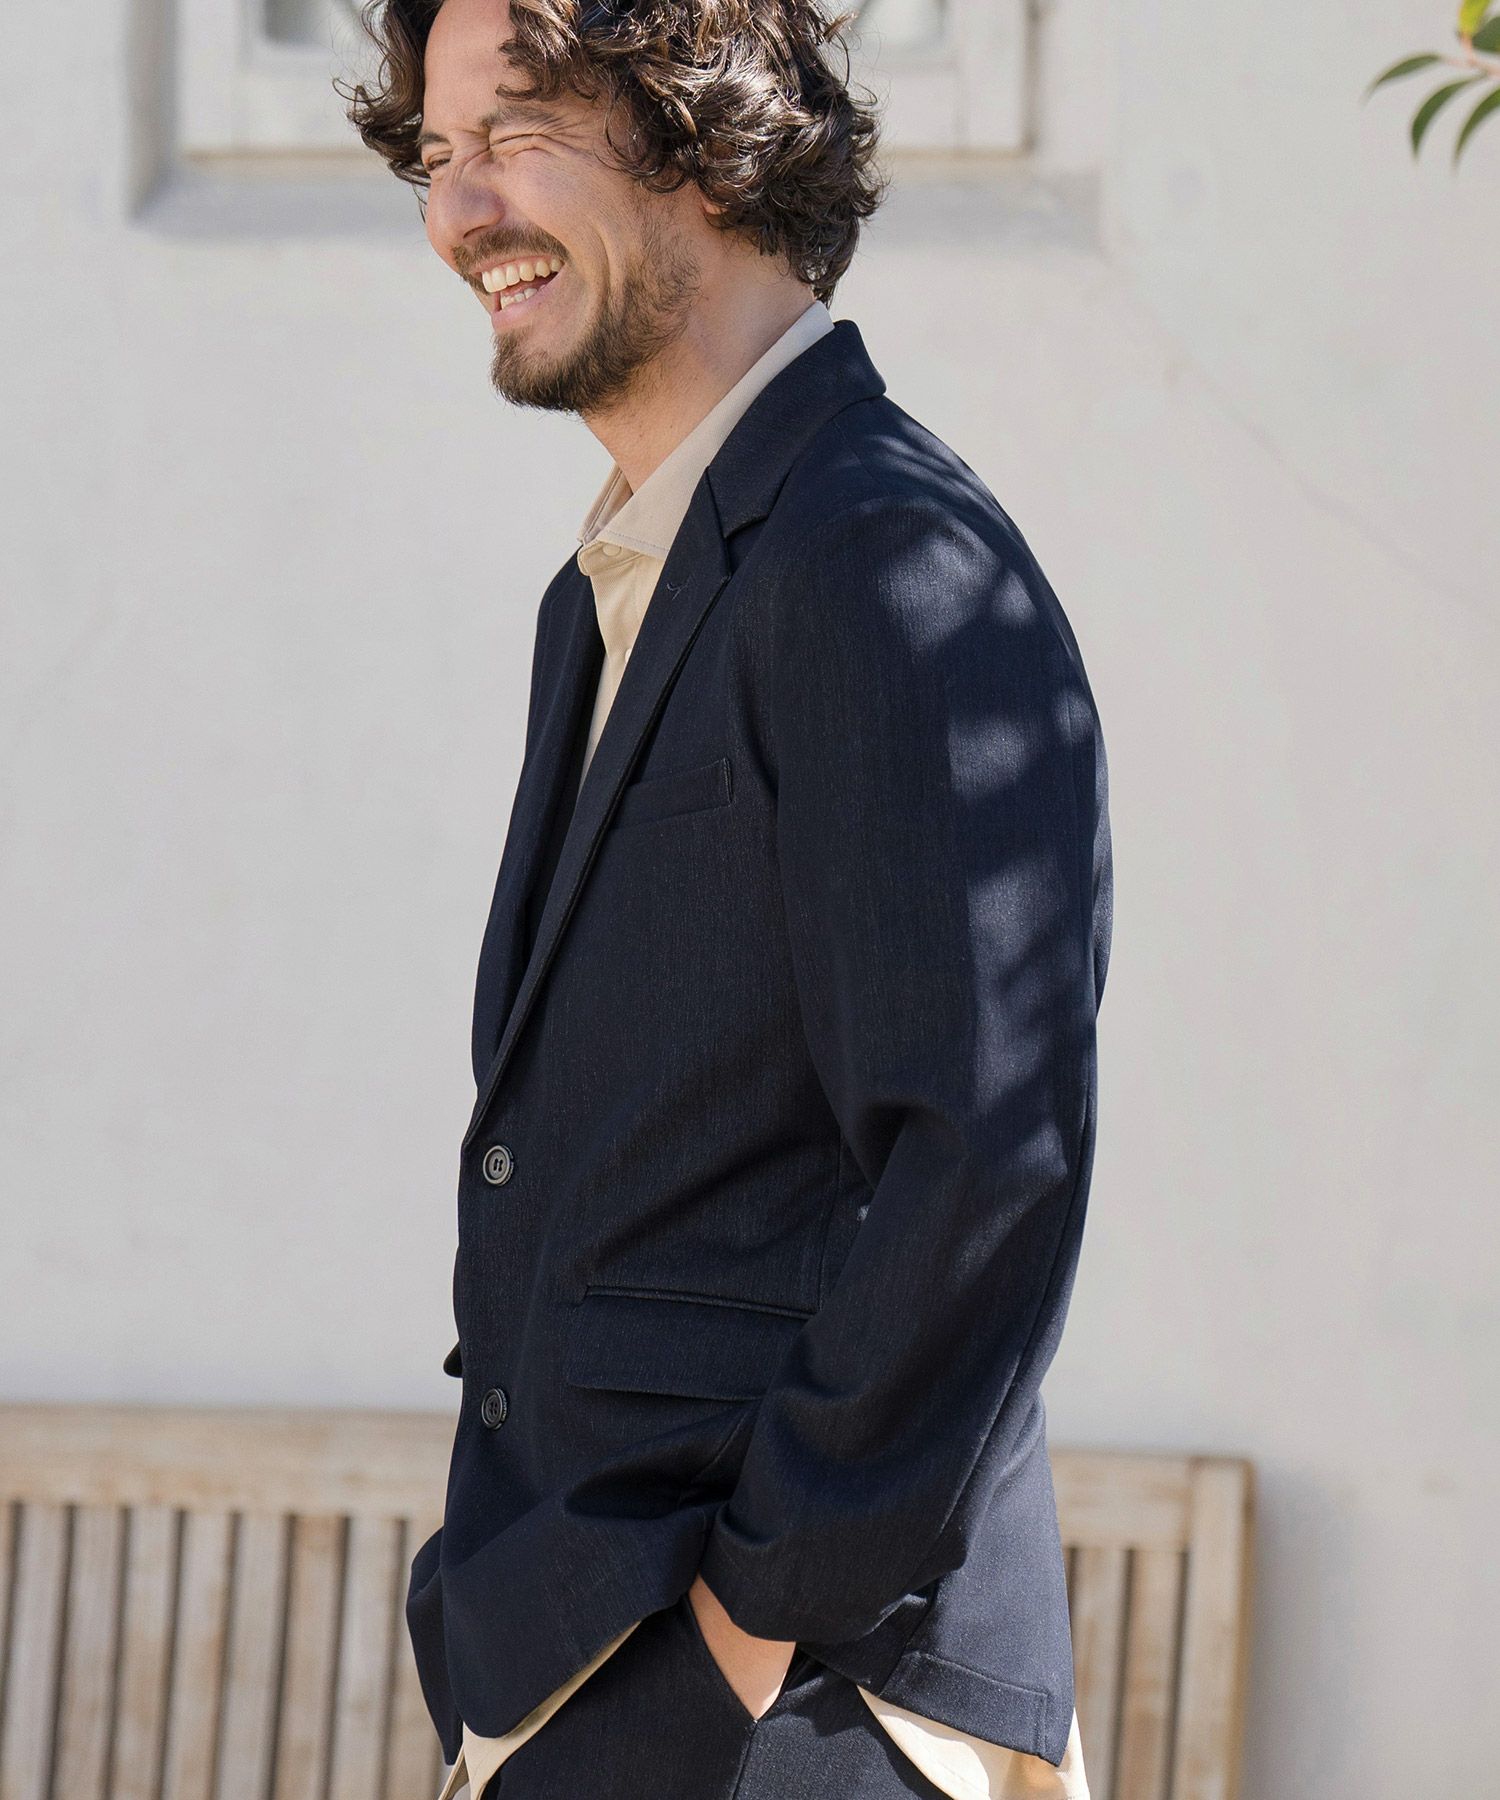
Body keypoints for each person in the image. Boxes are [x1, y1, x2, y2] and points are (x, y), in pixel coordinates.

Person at [346, 0, 1111, 1794]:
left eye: (514, 133)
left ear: (701, 126)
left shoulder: (887, 560)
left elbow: (986, 1166)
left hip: (795, 1704)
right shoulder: (615, 584)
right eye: (436, 157)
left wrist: (737, 1643)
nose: (458, 213)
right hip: (591, 1654)